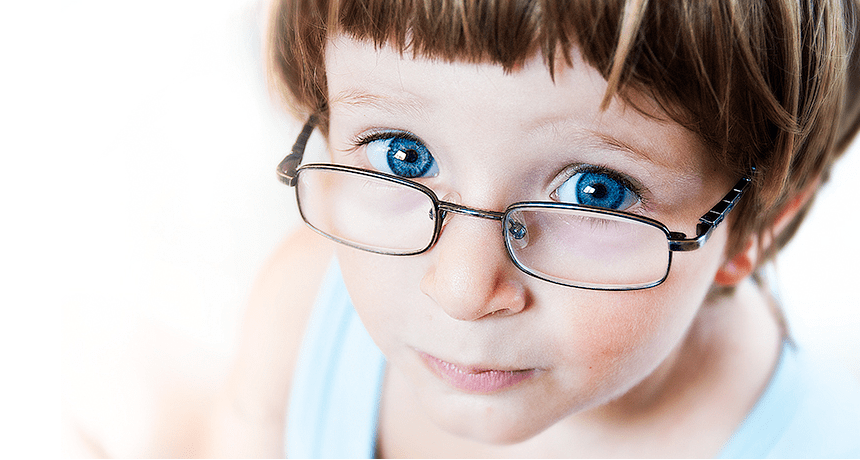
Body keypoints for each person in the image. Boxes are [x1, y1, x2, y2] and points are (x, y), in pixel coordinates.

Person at [206, 0, 860, 457]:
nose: (463, 290)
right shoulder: (305, 315)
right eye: (403, 156)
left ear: (754, 230)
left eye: (595, 192)